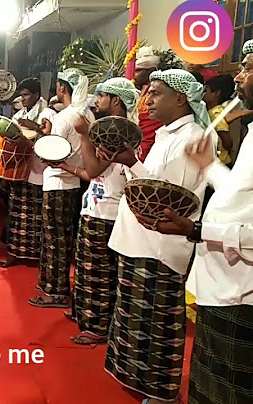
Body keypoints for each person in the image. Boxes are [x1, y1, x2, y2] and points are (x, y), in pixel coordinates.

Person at [141, 39, 253, 404]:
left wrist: (198, 230)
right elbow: (237, 194)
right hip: (221, 277)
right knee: (209, 380)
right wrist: (210, 166)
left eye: (249, 68)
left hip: (243, 285)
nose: (240, 77)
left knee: (229, 388)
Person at [99, 69, 213, 404]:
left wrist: (132, 163)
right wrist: (128, 162)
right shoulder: (166, 134)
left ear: (180, 98)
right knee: (135, 317)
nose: (147, 99)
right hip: (140, 240)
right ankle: (138, 379)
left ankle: (160, 391)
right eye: (148, 92)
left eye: (156, 93)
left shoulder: (193, 137)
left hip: (161, 245)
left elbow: (167, 197)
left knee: (156, 322)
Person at [56, 77, 140, 345]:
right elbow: (93, 176)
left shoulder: (120, 133)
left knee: (100, 275)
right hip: (95, 208)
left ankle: (98, 327)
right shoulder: (109, 128)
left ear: (116, 101)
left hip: (108, 214)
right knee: (87, 270)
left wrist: (84, 133)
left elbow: (93, 169)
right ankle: (85, 316)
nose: (97, 100)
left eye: (102, 96)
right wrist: (65, 166)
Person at [28, 68, 94, 308]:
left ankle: (56, 292)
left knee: (54, 239)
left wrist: (41, 138)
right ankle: (52, 284)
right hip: (75, 183)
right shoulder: (87, 114)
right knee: (64, 237)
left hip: (57, 183)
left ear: (62, 88)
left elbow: (50, 153)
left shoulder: (64, 117)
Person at [0, 78, 57, 268]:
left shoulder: (48, 114)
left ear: (37, 95)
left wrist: (34, 128)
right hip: (19, 172)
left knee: (37, 219)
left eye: (26, 95)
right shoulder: (19, 115)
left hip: (39, 174)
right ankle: (14, 254)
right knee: (16, 217)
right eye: (21, 95)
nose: (23, 99)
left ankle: (38, 257)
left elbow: (52, 142)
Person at [134, 46, 165, 162]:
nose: (134, 75)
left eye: (138, 71)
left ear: (151, 71)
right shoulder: (139, 90)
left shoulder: (158, 92)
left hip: (151, 141)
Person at [203, 74, 235, 167]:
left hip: (222, 161)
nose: (203, 94)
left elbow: (227, 141)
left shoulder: (216, 112)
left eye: (206, 91)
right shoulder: (211, 111)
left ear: (216, 93)